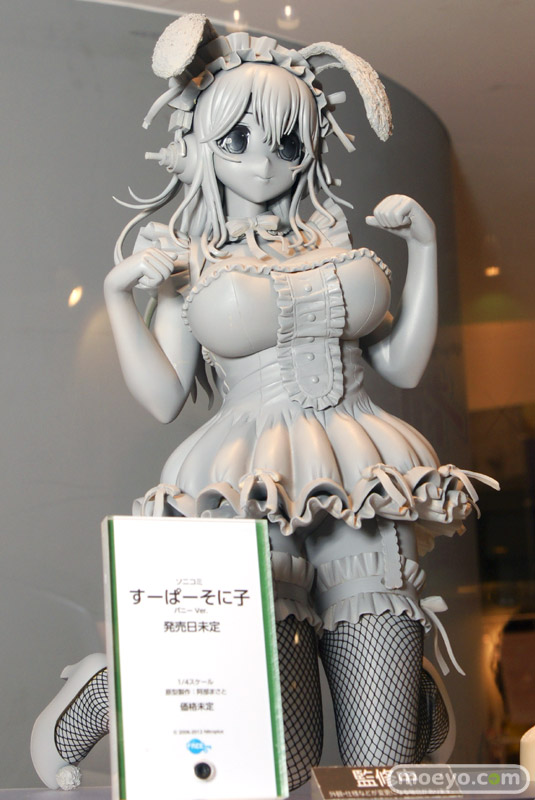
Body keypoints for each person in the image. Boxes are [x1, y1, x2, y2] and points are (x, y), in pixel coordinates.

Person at [31, 13, 497, 790]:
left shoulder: (340, 246)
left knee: (382, 773)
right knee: (283, 763)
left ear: (310, 147)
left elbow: (402, 365)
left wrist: (421, 248)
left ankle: (406, 689)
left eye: (286, 142)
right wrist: (119, 296)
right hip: (249, 483)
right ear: (199, 142)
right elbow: (163, 399)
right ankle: (112, 683)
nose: (262, 161)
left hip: (359, 474)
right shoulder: (187, 264)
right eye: (238, 138)